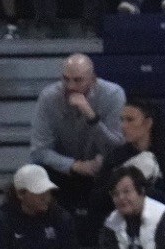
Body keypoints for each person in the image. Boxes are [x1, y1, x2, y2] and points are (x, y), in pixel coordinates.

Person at [29, 53, 125, 205]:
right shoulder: (49, 97)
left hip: (101, 171)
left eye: (78, 80)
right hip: (62, 171)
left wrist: (90, 116)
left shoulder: (113, 95)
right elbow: (39, 151)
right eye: (65, 79)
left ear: (92, 79)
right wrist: (75, 166)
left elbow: (116, 148)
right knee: (35, 173)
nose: (70, 86)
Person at [94, 95, 165, 219]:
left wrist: (142, 190)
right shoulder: (115, 157)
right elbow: (97, 200)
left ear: (148, 123)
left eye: (130, 120)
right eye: (122, 120)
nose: (123, 126)